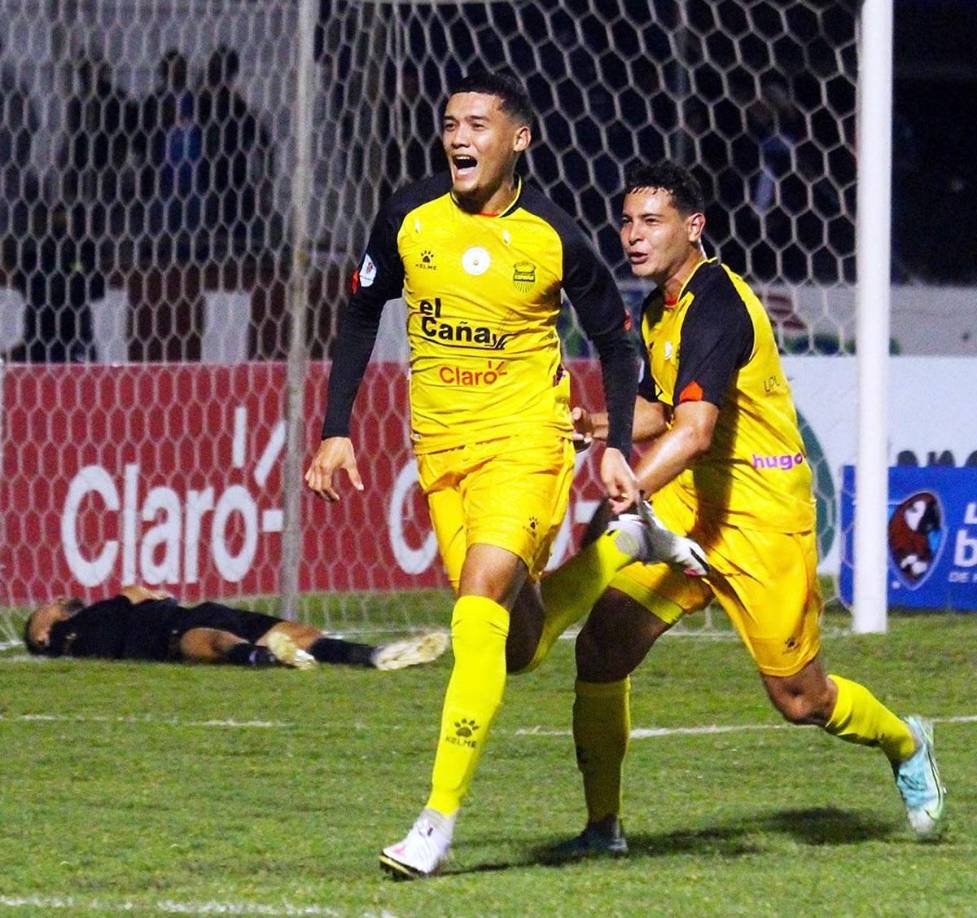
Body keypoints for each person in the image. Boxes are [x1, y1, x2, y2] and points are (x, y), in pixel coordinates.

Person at [305, 71, 708, 880]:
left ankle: (434, 821)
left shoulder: (554, 239)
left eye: (478, 124)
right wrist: (336, 429)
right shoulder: (407, 217)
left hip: (526, 443)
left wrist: (612, 441)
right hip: (441, 451)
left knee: (479, 598)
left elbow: (617, 340)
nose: (459, 137)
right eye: (450, 122)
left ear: (517, 138)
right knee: (514, 646)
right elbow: (358, 310)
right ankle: (612, 553)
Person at [553, 159, 946, 858]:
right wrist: (598, 426)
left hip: (761, 519)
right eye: (625, 222)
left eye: (651, 222)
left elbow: (695, 430)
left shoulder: (719, 306)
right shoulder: (656, 310)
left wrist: (631, 486)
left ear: (692, 226)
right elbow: (662, 409)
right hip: (689, 512)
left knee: (799, 699)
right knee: (601, 646)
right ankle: (601, 827)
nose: (632, 237)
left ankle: (906, 742)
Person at [23, 584, 448, 671]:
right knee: (201, 641)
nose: (55, 601)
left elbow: (138, 595)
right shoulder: (70, 637)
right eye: (47, 607)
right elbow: (137, 592)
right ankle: (254, 654)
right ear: (41, 636)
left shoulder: (95, 616)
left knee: (297, 630)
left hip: (191, 614)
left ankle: (369, 655)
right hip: (173, 631)